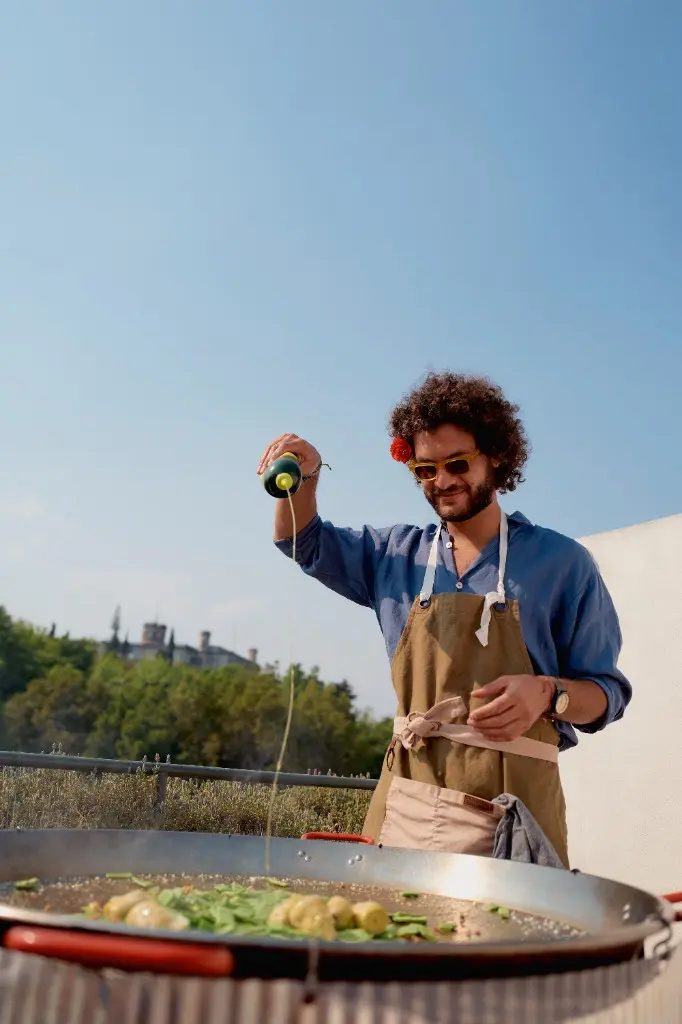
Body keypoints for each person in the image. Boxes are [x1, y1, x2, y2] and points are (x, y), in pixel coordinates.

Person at [257, 372, 631, 866]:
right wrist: (303, 480)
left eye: (457, 463)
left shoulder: (562, 563)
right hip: (410, 798)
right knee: (394, 934)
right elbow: (303, 543)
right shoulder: (394, 555)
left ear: (496, 455)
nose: (443, 481)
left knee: (504, 937)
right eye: (425, 470)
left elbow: (606, 695)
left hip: (518, 815)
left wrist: (547, 693)